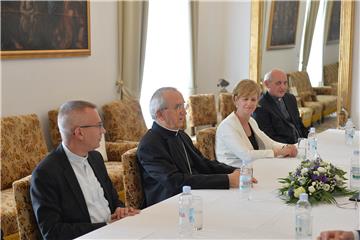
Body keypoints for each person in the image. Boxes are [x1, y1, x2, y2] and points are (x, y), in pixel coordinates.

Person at [30, 100, 140, 239]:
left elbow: (113, 199)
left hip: (115, 232)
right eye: (99, 126)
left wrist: (119, 209)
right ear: (79, 133)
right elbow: (52, 232)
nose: (103, 131)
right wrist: (106, 226)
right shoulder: (46, 174)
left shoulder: (95, 158)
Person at [137, 87, 245, 207]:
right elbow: (175, 181)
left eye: (183, 106)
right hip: (169, 206)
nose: (184, 112)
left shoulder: (180, 134)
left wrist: (235, 171)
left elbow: (203, 163)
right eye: (178, 107)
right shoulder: (150, 145)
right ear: (160, 115)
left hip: (193, 196)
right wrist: (227, 180)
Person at [216, 80, 297, 167]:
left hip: (252, 168)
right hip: (234, 173)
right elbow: (246, 155)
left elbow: (270, 143)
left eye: (253, 99)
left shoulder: (251, 121)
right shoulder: (227, 126)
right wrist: (278, 152)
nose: (249, 103)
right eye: (245, 99)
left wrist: (289, 147)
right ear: (236, 100)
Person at [253, 69, 308, 144]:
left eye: (285, 83)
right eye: (278, 83)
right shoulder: (260, 106)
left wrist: (308, 138)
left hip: (301, 144)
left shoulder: (290, 98)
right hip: (283, 148)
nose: (283, 87)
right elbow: (269, 137)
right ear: (266, 84)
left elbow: (298, 123)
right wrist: (291, 146)